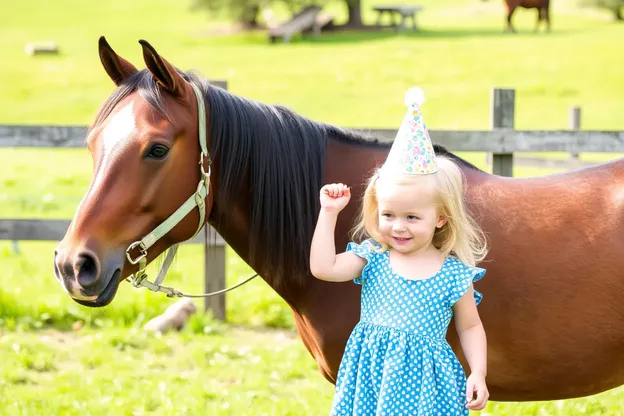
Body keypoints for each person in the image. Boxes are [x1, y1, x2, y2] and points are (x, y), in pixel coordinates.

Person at [310, 88, 490, 415]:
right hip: (371, 379)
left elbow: (470, 326)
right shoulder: (373, 257)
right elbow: (323, 267)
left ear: (440, 219)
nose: (399, 227)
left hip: (427, 388)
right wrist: (328, 213)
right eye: (389, 215)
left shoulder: (453, 275)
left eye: (412, 217)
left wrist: (478, 372)